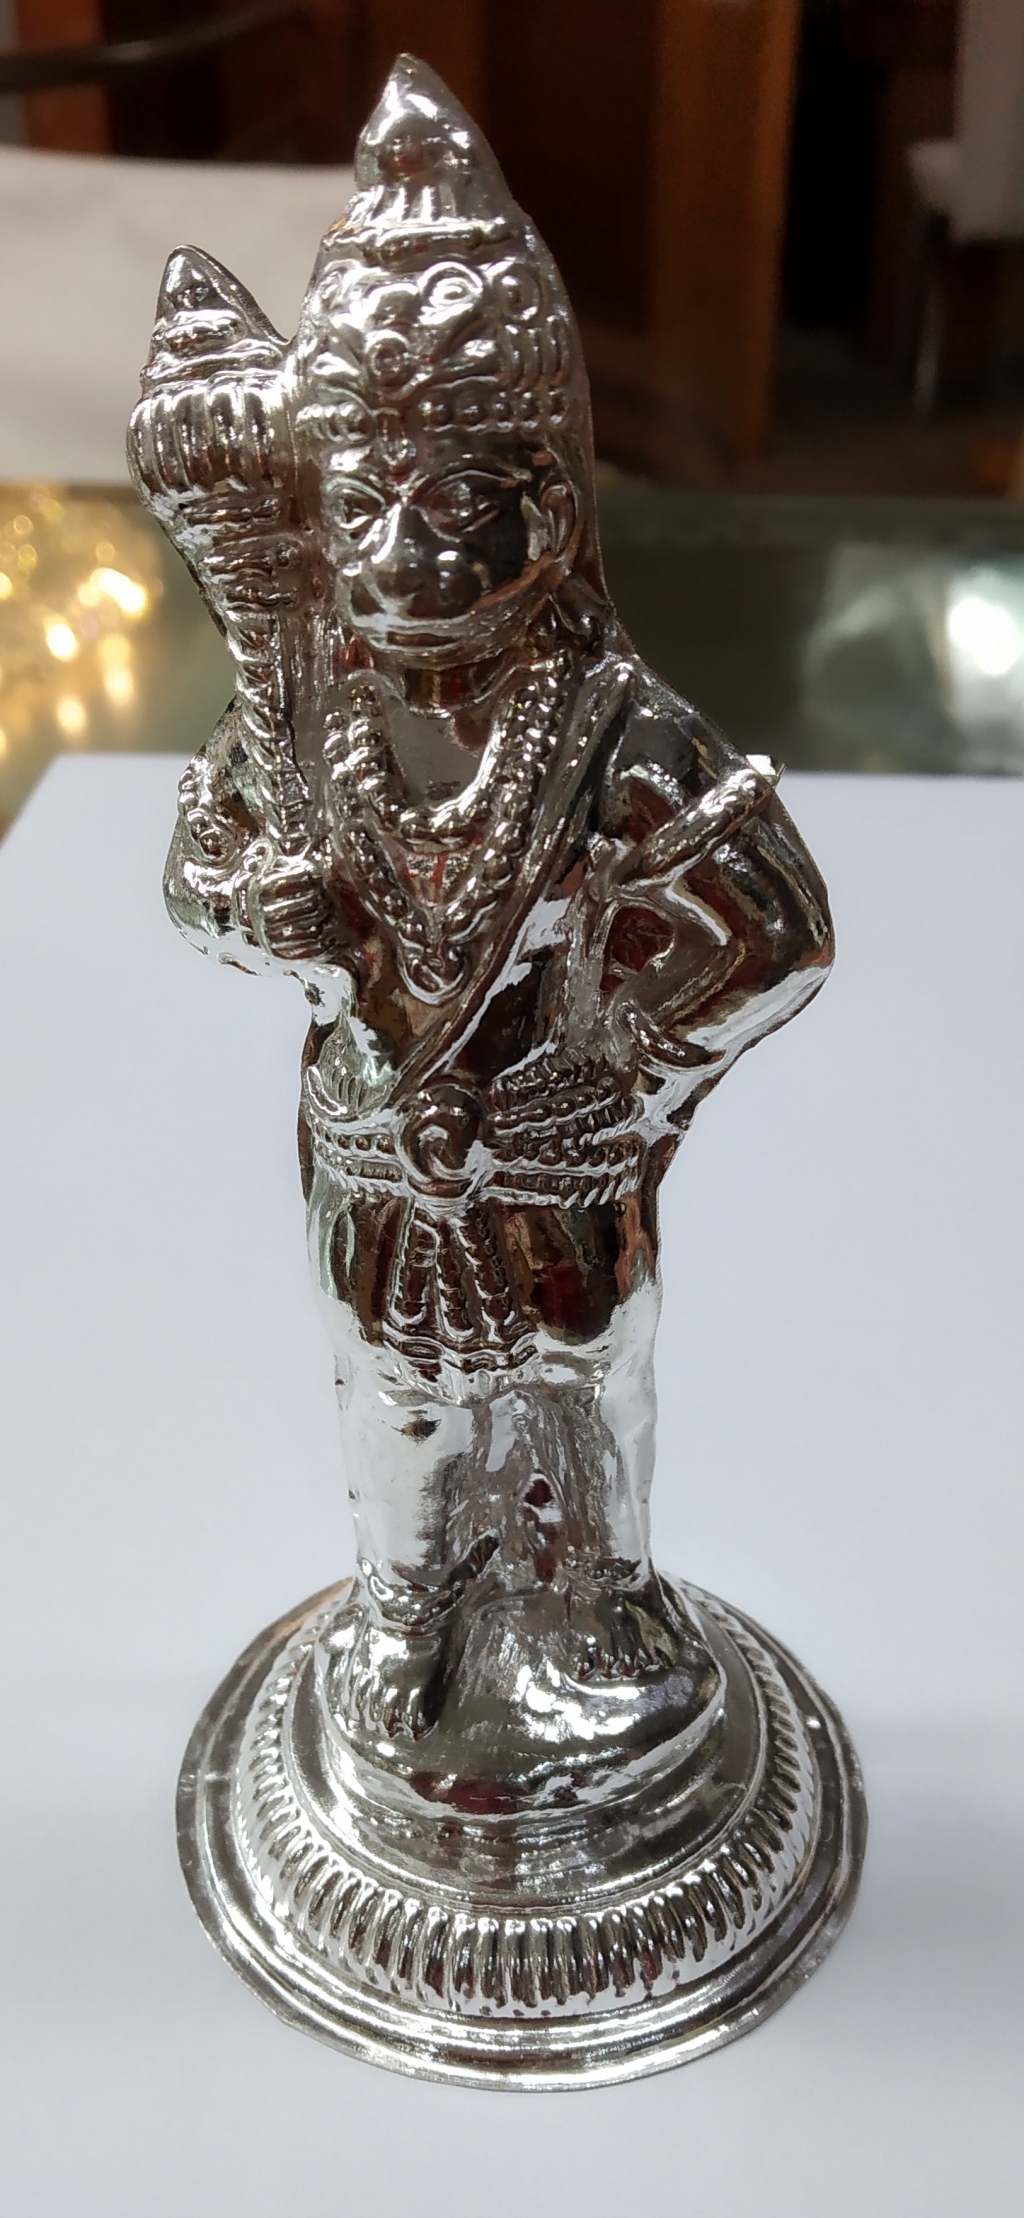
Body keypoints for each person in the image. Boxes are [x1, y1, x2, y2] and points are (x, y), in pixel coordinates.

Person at [131, 58, 833, 1772]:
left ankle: (592, 1610)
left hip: (557, 1165)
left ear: (554, 501)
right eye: (364, 505)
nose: (405, 557)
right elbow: (196, 873)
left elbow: (776, 931)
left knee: (579, 1393)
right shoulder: (304, 720)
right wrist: (259, 917)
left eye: (457, 503)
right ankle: (408, 1604)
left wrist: (628, 1075)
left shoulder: (615, 731)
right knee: (397, 1408)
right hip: (374, 1150)